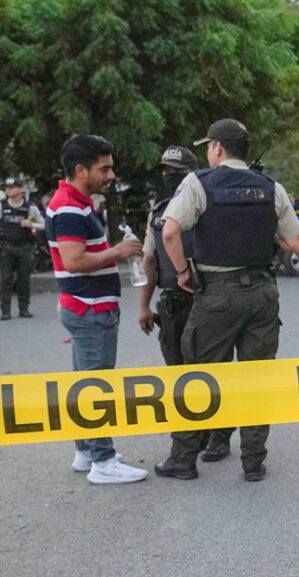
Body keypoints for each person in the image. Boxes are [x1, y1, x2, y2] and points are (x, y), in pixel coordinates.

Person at [154, 119, 299, 483]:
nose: (208, 152)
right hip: (262, 293)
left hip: (217, 294)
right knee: (256, 378)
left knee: (199, 376)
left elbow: (170, 230)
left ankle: (184, 459)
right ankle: (253, 462)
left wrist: (183, 272)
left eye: (208, 146)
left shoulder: (199, 182)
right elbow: (296, 245)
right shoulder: (271, 188)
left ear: (218, 148)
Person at [47, 134, 149, 484]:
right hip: (89, 309)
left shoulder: (75, 202)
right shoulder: (70, 208)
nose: (111, 175)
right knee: (96, 388)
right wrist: (117, 253)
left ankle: (87, 450)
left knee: (84, 384)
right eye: (104, 168)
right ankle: (103, 462)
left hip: (85, 307)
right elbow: (74, 260)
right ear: (81, 170)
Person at [137, 146, 233, 462]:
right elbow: (149, 262)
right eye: (165, 170)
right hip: (172, 302)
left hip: (208, 298)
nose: (170, 177)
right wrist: (143, 305)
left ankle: (219, 436)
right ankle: (191, 438)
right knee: (178, 376)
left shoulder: (210, 203)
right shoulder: (157, 211)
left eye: (177, 171)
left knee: (215, 372)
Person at [1, 177, 44, 319]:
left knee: (24, 279)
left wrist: (32, 225)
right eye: (6, 188)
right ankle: (5, 311)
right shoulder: (2, 206)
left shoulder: (30, 208)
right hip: (7, 247)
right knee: (6, 279)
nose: (8, 190)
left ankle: (24, 309)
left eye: (12, 187)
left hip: (25, 247)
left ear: (19, 189)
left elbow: (44, 223)